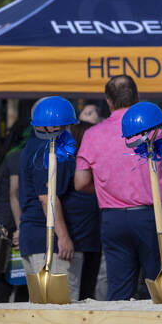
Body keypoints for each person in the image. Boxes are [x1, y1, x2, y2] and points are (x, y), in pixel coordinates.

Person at [74, 76, 162, 300]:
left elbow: (80, 182)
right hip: (152, 215)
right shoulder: (156, 129)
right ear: (137, 97)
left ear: (108, 102)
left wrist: (105, 187)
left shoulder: (92, 134)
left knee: (119, 289)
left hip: (113, 218)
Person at [18, 101, 77, 287]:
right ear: (53, 126)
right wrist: (63, 237)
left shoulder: (33, 145)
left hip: (34, 237)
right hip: (46, 241)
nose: (68, 130)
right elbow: (47, 197)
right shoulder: (45, 150)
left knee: (40, 306)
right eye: (66, 125)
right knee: (57, 306)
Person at [0, 120, 29, 303]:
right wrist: (21, 228)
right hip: (11, 224)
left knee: (7, 279)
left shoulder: (9, 155)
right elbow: (15, 192)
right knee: (17, 280)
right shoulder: (19, 155)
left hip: (1, 219)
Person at [64, 121, 102, 300]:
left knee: (77, 294)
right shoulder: (76, 165)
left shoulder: (73, 164)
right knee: (85, 294)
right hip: (83, 239)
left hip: (81, 237)